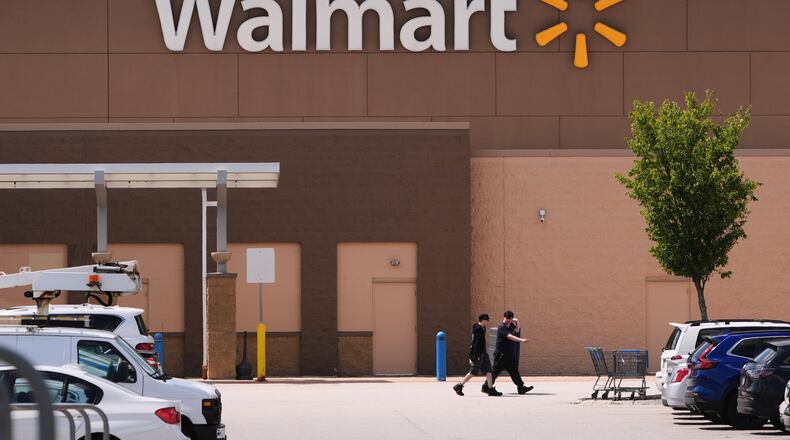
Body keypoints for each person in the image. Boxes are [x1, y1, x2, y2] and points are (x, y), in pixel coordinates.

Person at [452, 313, 502, 396]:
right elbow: (476, 343)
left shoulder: (482, 327)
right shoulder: (478, 329)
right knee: (473, 372)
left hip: (483, 353)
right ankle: (459, 385)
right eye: (487, 319)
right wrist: (475, 356)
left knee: (489, 370)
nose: (488, 321)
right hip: (478, 354)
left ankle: (490, 389)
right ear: (483, 320)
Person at [487, 310, 533, 395]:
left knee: (514, 371)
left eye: (510, 318)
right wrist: (521, 340)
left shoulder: (511, 325)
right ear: (504, 317)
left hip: (508, 354)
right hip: (500, 354)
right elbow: (510, 336)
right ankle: (486, 387)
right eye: (507, 318)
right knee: (495, 372)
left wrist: (517, 321)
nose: (508, 320)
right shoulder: (502, 327)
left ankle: (521, 388)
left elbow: (517, 330)